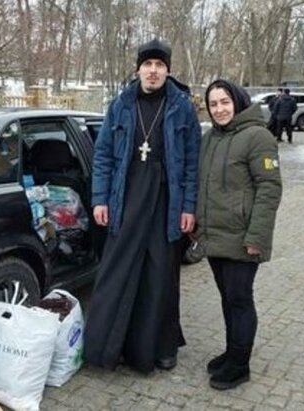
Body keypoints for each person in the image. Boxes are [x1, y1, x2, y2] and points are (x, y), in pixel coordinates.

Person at [84, 38, 201, 373]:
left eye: (159, 66)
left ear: (167, 70)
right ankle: (108, 349)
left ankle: (160, 348)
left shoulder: (182, 107)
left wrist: (189, 207)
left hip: (166, 201)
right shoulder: (120, 104)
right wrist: (100, 199)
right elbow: (103, 155)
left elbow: (192, 162)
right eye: (147, 65)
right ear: (138, 69)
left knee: (160, 275)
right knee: (117, 272)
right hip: (126, 197)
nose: (153, 71)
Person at [195, 79, 282, 390]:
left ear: (238, 101)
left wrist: (256, 236)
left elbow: (269, 189)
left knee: (240, 299)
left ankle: (240, 365)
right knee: (227, 298)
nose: (219, 109)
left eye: (224, 102)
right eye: (213, 104)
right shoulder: (210, 139)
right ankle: (232, 352)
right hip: (215, 237)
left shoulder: (257, 137)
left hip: (243, 238)